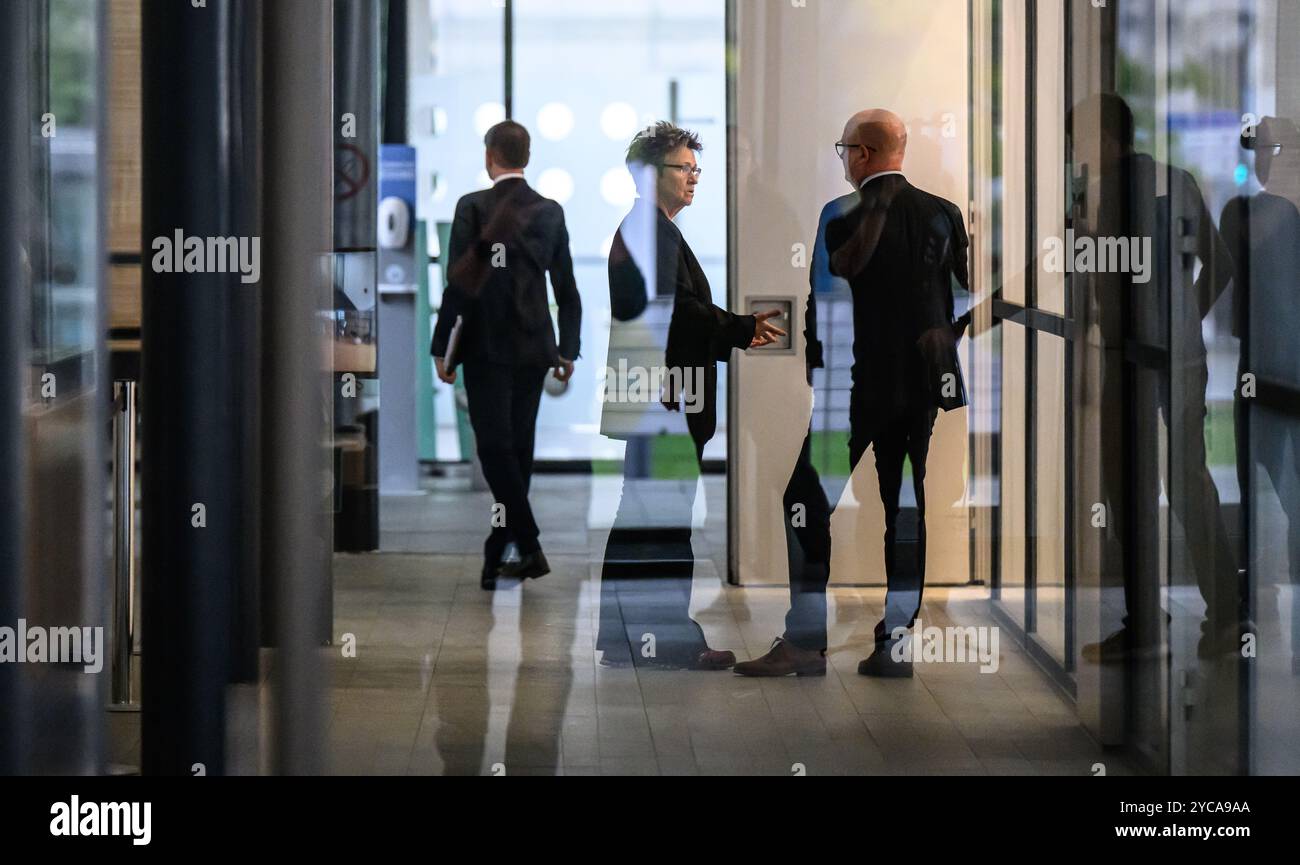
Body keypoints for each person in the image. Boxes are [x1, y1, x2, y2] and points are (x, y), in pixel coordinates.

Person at [595, 121, 785, 671]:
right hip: (666, 398)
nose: (695, 179)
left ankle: (629, 637)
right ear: (650, 174)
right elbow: (675, 313)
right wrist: (740, 327)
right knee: (662, 522)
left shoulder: (649, 228)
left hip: (657, 395)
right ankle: (662, 638)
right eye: (685, 169)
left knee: (647, 518)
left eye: (696, 169)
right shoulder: (650, 231)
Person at [828, 109, 969, 678]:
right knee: (905, 506)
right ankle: (900, 638)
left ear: (862, 154)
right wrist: (942, 338)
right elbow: (963, 295)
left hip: (860, 383)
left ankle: (804, 632)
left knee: (807, 497)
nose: (842, 160)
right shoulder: (944, 212)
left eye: (843, 149)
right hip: (921, 385)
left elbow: (837, 279)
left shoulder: (843, 215)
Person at [431, 120, 581, 591]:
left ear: (489, 156)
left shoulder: (472, 207)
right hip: (535, 346)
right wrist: (567, 349)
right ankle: (497, 552)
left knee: (496, 449)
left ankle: (529, 545)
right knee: (515, 450)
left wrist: (442, 348)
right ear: (527, 156)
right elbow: (567, 289)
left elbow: (459, 285)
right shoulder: (550, 211)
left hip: (485, 347)